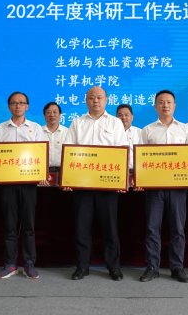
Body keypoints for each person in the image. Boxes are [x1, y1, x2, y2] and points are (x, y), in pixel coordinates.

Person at [64, 86, 128, 281]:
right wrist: (68, 178)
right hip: (82, 184)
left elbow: (122, 150)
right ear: (86, 100)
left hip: (107, 184)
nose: (96, 101)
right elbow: (69, 150)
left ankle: (113, 267)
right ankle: (82, 267)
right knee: (82, 228)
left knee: (110, 228)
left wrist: (121, 179)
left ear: (106, 100)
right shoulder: (77, 123)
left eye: (99, 97)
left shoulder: (115, 123)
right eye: (92, 97)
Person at [0, 92, 48, 279]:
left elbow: (42, 153)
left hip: (29, 184)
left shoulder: (35, 129)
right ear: (9, 106)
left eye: (21, 103)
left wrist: (42, 175)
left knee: (29, 226)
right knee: (10, 225)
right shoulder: (0, 129)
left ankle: (29, 263)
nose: (18, 106)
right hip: (7, 185)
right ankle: (10, 263)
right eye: (14, 103)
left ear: (27, 106)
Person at [138, 90, 188, 283]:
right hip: (154, 188)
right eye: (161, 102)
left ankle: (177, 267)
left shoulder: (185, 129)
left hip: (178, 188)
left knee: (178, 229)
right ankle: (152, 267)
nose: (165, 105)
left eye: (169, 102)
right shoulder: (147, 130)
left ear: (175, 105)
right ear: (155, 106)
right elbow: (140, 159)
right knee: (152, 228)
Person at [42, 102, 68, 185]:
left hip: (63, 172)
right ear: (44, 115)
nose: (52, 115)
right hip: (43, 172)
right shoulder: (38, 132)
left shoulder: (68, 132)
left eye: (55, 112)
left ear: (60, 115)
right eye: (48, 112)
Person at [116, 104, 141, 170]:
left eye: (126, 115)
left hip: (136, 171)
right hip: (117, 170)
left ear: (132, 117)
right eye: (120, 115)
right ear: (116, 118)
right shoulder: (112, 133)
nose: (123, 118)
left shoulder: (140, 132)